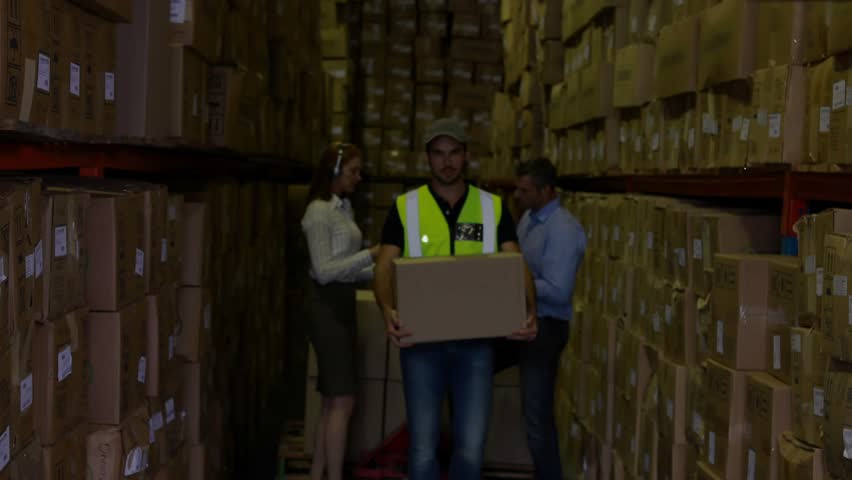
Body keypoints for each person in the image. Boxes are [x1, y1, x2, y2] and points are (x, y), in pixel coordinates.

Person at [373, 118, 538, 480]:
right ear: (428, 157)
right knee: (422, 450)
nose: (446, 162)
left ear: (465, 156)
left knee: (470, 448)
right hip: (420, 344)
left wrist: (530, 311)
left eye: (454, 153)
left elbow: (516, 261)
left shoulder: (491, 207)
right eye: (438, 153)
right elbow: (384, 266)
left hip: (475, 347)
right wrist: (387, 310)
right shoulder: (406, 207)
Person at [495, 158, 586, 480]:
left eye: (524, 190)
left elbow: (559, 291)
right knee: (469, 363)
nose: (517, 196)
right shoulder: (528, 219)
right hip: (520, 320)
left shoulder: (563, 229)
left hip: (546, 328)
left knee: (536, 417)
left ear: (546, 190)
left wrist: (514, 283)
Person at [301, 142, 380, 480]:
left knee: (333, 401)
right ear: (334, 171)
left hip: (342, 302)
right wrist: (371, 254)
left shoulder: (342, 208)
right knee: (344, 400)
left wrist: (383, 269)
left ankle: (317, 474)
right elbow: (324, 271)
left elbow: (346, 269)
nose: (358, 177)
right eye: (353, 171)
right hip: (325, 305)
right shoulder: (318, 212)